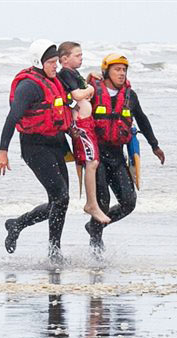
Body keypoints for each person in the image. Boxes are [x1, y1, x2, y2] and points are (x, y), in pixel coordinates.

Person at [0, 39, 72, 264]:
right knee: (61, 196)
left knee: (60, 200)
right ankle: (54, 252)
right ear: (39, 62)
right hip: (34, 147)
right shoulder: (28, 86)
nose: (55, 66)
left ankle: (18, 224)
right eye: (51, 62)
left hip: (56, 144)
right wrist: (3, 151)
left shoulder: (54, 81)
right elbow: (13, 117)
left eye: (56, 61)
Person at [86, 53, 165, 254]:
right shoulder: (92, 91)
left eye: (124, 70)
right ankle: (96, 242)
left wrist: (154, 146)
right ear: (106, 72)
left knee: (129, 202)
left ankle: (95, 226)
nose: (121, 73)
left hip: (117, 155)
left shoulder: (130, 96)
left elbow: (142, 120)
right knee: (102, 201)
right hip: (96, 157)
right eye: (117, 70)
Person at [57, 41, 111, 225]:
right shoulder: (65, 72)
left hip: (86, 123)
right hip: (81, 124)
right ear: (65, 59)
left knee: (93, 161)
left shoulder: (72, 73)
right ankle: (91, 204)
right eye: (77, 55)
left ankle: (92, 203)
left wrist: (87, 80)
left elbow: (78, 89)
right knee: (92, 162)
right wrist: (90, 89)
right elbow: (77, 95)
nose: (81, 58)